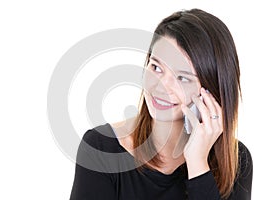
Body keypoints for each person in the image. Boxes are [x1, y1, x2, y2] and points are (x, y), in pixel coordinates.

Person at [70, 8, 253, 199]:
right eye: (156, 67)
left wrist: (198, 164)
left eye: (182, 78)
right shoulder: (101, 148)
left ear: (211, 92)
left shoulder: (237, 161)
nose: (161, 86)